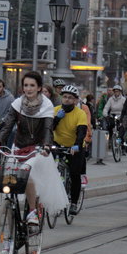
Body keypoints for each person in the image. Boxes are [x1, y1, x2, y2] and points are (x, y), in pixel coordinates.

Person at [0, 71, 66, 226]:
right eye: (26, 85)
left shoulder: (46, 105)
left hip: (37, 149)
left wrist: (46, 146)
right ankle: (10, 209)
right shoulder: (18, 103)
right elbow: (8, 124)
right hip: (18, 146)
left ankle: (32, 211)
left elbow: (47, 129)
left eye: (32, 85)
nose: (28, 89)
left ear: (39, 88)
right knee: (10, 177)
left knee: (26, 173)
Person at [52, 85, 88, 215]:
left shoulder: (80, 113)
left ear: (76, 101)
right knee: (52, 171)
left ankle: (73, 202)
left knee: (74, 173)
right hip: (58, 144)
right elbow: (49, 129)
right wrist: (57, 119)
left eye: (70, 98)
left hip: (75, 146)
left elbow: (82, 131)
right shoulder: (55, 110)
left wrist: (77, 145)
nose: (67, 100)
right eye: (65, 97)